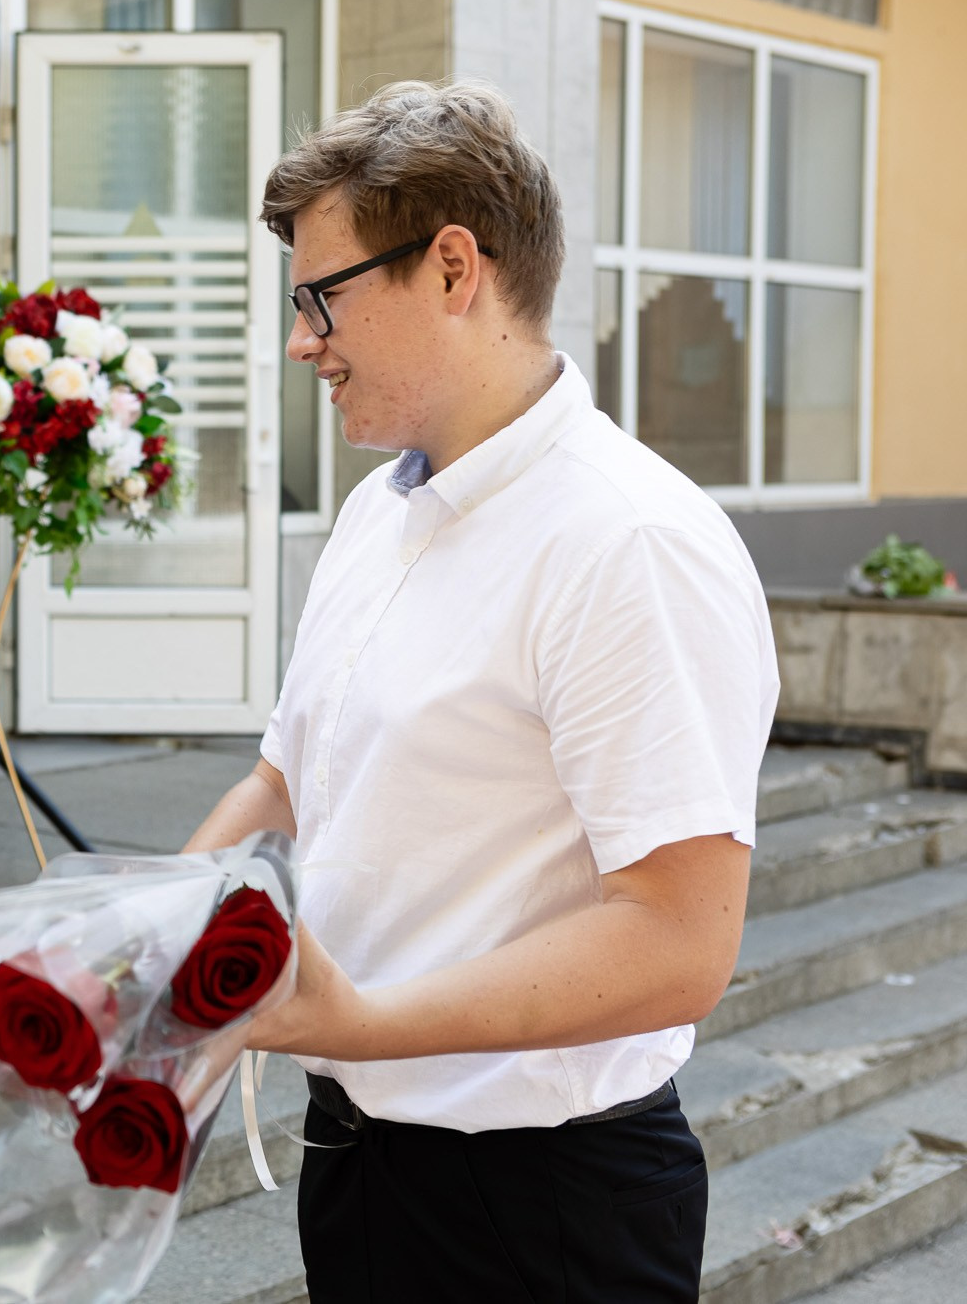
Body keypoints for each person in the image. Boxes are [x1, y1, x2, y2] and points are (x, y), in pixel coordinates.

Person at [205, 81, 778, 1301]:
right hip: (361, 1160)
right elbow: (282, 779)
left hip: (540, 1206)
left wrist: (351, 1022)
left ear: (452, 267)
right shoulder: (379, 510)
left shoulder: (627, 540)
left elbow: (679, 941)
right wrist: (148, 937)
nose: (300, 340)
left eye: (320, 297)